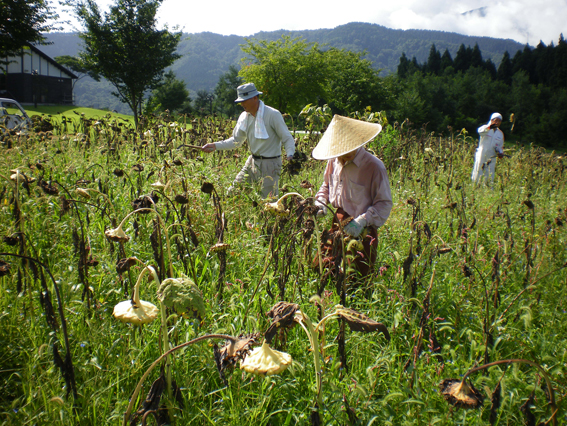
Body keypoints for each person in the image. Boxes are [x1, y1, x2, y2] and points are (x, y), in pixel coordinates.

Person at [312, 115, 393, 277]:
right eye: (340, 150)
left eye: (348, 148)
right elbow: (326, 185)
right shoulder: (334, 160)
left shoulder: (374, 167)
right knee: (321, 268)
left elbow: (384, 203)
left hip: (364, 228)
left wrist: (362, 221)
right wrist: (320, 201)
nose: (344, 154)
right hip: (339, 220)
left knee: (356, 278)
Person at [201, 83, 295, 198]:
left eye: (244, 100)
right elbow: (236, 141)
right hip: (252, 162)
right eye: (240, 101)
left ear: (255, 98)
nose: (242, 104)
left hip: (270, 164)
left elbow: (287, 137)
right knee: (233, 193)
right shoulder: (244, 117)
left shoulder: (272, 114)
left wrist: (290, 154)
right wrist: (215, 146)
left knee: (267, 202)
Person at [471, 112, 505, 184]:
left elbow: (500, 146)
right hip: (482, 153)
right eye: (496, 120)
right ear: (492, 120)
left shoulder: (500, 134)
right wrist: (489, 127)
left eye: (499, 121)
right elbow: (480, 131)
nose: (497, 122)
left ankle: (488, 187)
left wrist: (500, 153)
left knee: (490, 172)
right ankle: (475, 185)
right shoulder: (485, 128)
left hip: (492, 155)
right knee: (478, 169)